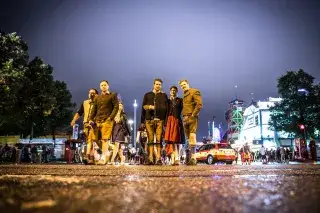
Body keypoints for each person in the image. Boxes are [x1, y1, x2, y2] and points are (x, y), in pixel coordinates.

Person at [89, 80, 119, 165]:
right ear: (100, 87)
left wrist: (110, 118)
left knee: (105, 139)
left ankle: (103, 158)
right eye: (102, 85)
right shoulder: (97, 98)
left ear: (108, 86)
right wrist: (91, 119)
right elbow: (94, 109)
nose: (103, 86)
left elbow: (116, 107)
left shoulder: (113, 95)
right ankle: (108, 151)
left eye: (105, 85)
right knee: (96, 139)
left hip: (107, 121)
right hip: (97, 121)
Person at [141, 78, 169, 165]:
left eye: (160, 84)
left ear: (161, 86)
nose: (158, 86)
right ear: (153, 85)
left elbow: (167, 109)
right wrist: (142, 121)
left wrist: (165, 121)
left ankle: (158, 159)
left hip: (160, 120)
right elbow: (143, 108)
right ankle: (150, 159)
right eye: (157, 84)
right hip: (149, 120)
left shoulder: (164, 95)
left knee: (159, 140)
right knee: (150, 139)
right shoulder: (147, 95)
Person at [70, 88, 99, 164]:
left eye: (93, 93)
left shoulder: (99, 102)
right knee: (89, 140)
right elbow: (79, 112)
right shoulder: (85, 103)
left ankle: (89, 156)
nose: (91, 94)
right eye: (89, 93)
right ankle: (90, 157)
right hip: (86, 124)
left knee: (92, 140)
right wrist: (73, 120)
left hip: (96, 124)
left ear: (97, 94)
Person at [179, 79, 203, 165]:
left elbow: (199, 104)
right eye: (181, 86)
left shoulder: (194, 91)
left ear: (188, 84)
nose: (183, 86)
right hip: (185, 118)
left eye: (184, 84)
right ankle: (189, 158)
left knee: (192, 136)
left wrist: (193, 115)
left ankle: (193, 158)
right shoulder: (184, 95)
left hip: (191, 117)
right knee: (188, 139)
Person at [164, 86, 185, 166]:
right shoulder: (167, 101)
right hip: (169, 120)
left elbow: (183, 109)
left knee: (177, 140)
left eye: (174, 90)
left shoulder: (180, 100)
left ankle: (177, 158)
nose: (173, 91)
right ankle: (173, 159)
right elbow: (165, 111)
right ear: (170, 92)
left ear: (177, 92)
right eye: (171, 90)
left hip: (176, 120)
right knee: (171, 141)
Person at [110, 99, 131, 165]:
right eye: (119, 105)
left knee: (116, 144)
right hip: (114, 130)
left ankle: (112, 160)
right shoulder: (113, 114)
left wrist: (128, 133)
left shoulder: (123, 115)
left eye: (121, 105)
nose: (120, 107)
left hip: (121, 130)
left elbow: (126, 124)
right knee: (119, 148)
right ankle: (122, 159)